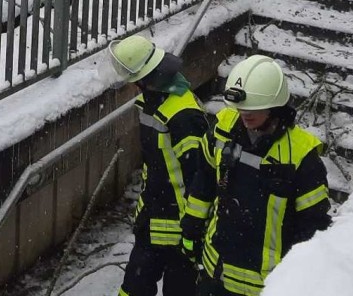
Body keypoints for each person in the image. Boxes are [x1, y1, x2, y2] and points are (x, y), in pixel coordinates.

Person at [179, 55, 331, 295]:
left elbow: (313, 226)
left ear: (275, 106)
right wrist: (191, 228)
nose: (245, 115)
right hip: (214, 271)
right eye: (241, 108)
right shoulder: (223, 128)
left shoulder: (301, 157)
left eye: (254, 109)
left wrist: (299, 278)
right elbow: (204, 182)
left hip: (266, 284)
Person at [110, 34, 211, 296]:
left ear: (144, 79)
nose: (131, 87)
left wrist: (194, 230)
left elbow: (200, 179)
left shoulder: (184, 115)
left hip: (178, 229)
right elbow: (157, 165)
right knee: (133, 289)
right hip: (153, 219)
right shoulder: (153, 102)